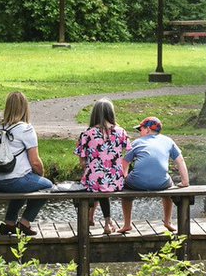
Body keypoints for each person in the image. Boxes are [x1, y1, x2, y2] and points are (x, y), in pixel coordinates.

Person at [0, 91, 52, 236]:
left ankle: (9, 224)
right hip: (12, 181)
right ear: (24, 108)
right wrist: (40, 175)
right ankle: (25, 222)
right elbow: (35, 162)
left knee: (23, 182)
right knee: (47, 186)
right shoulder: (26, 129)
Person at [117, 116, 189, 233]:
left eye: (140, 130)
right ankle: (167, 221)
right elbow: (180, 160)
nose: (140, 133)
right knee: (169, 187)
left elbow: (125, 162)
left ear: (148, 129)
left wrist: (124, 177)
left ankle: (127, 224)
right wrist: (185, 181)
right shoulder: (168, 141)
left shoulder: (137, 142)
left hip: (137, 183)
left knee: (126, 194)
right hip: (161, 183)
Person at [75, 99, 129, 234]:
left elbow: (82, 161)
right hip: (116, 181)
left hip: (94, 180)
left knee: (94, 182)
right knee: (102, 184)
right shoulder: (121, 132)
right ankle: (107, 221)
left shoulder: (87, 133)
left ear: (94, 114)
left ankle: (91, 220)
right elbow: (127, 151)